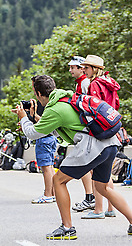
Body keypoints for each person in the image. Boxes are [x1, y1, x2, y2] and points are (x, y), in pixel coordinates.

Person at [13, 75, 132, 240]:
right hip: (110, 143)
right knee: (103, 187)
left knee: (58, 180)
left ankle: (67, 227)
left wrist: (23, 118)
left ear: (38, 93)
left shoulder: (54, 109)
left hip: (94, 147)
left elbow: (33, 134)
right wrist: (31, 120)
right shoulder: (67, 99)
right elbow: (58, 128)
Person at [81, 55, 120, 219]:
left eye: (87, 67)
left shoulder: (95, 84)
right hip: (112, 127)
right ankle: (110, 208)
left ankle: (98, 209)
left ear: (94, 68)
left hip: (100, 129)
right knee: (106, 171)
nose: (84, 70)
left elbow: (93, 107)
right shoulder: (108, 83)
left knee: (96, 170)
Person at [23, 76, 57, 204]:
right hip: (50, 138)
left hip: (45, 138)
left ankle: (48, 194)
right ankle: (52, 193)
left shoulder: (43, 102)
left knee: (46, 167)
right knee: (50, 166)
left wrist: (30, 117)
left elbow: (43, 122)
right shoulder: (49, 102)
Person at [67, 56, 95, 212]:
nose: (70, 70)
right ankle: (93, 199)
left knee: (85, 163)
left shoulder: (85, 83)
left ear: (81, 68)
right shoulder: (80, 83)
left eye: (73, 68)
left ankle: (90, 197)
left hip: (87, 129)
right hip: (86, 128)